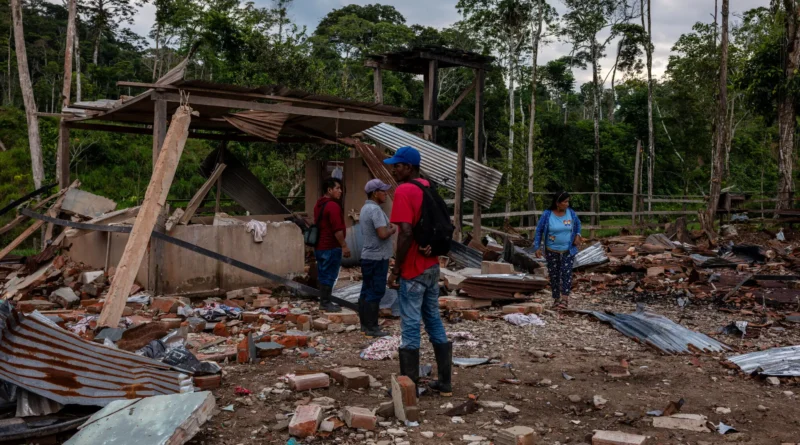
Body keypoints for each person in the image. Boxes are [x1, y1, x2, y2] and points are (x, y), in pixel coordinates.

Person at [384, 146, 452, 397]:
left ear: (409, 167)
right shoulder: (428, 187)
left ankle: (408, 388)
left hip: (413, 268)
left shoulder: (405, 190)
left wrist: (397, 268)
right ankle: (445, 383)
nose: (394, 169)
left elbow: (406, 233)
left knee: (410, 325)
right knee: (433, 319)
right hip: (432, 265)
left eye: (398, 165)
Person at [358, 179, 396, 338]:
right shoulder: (375, 210)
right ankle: (372, 327)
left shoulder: (365, 208)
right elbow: (382, 234)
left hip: (368, 256)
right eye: (383, 191)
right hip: (377, 257)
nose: (386, 194)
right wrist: (392, 230)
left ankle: (365, 325)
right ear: (375, 193)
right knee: (376, 291)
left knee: (366, 290)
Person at [531, 191, 583, 310]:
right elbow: (539, 231)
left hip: (568, 250)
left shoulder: (571, 213)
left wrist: (578, 235)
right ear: (557, 203)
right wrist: (537, 247)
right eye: (565, 202)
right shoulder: (547, 214)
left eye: (568, 201)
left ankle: (565, 299)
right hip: (551, 250)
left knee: (566, 273)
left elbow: (578, 224)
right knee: (554, 275)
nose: (567, 204)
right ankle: (556, 299)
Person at [313, 178, 350, 313]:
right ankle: (326, 302)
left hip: (320, 246)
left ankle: (324, 301)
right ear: (329, 190)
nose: (340, 191)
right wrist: (344, 246)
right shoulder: (333, 206)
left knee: (323, 274)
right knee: (330, 275)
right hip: (330, 246)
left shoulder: (319, 205)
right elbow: (337, 230)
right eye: (337, 188)